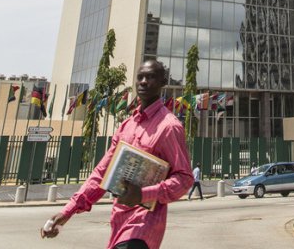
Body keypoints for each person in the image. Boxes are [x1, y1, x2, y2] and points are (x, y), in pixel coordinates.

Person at [40, 60, 194, 249]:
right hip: (118, 223)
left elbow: (185, 178)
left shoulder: (169, 127)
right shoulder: (126, 126)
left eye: (151, 77)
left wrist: (144, 194)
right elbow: (102, 173)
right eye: (140, 77)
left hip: (142, 229)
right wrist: (68, 211)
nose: (144, 82)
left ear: (163, 82)